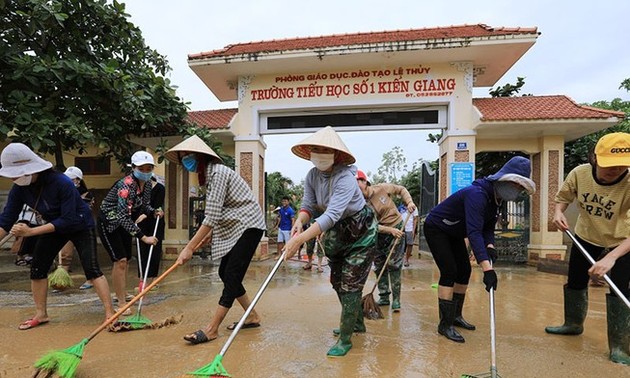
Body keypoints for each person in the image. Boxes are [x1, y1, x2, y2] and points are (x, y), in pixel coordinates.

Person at [282, 126, 377, 357]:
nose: (320, 153)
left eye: (325, 149)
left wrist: (300, 240)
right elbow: (309, 206)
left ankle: (345, 339)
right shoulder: (312, 176)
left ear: (336, 154)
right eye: (316, 149)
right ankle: (356, 322)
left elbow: (331, 214)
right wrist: (299, 222)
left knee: (350, 284)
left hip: (361, 231)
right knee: (336, 281)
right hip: (337, 232)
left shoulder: (345, 177)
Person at [0, 143, 115, 329]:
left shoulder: (61, 182)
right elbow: (6, 220)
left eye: (16, 173)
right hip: (54, 226)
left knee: (92, 269)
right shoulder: (19, 188)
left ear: (31, 169)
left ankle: (110, 313)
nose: (13, 178)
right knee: (37, 267)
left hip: (80, 225)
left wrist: (30, 232)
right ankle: (41, 313)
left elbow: (68, 220)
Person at [165, 135, 266, 345]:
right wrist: (207, 234)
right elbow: (218, 212)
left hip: (249, 224)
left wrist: (189, 248)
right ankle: (253, 316)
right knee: (225, 273)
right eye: (183, 157)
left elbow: (211, 216)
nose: (186, 161)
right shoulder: (209, 177)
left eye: (188, 156)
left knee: (231, 273)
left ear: (200, 157)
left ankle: (212, 328)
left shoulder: (218, 173)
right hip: (238, 223)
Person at [424, 156, 535, 343]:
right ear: (505, 180)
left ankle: (456, 316)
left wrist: (490, 246)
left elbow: (487, 227)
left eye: (521, 188)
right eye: (517, 186)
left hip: (454, 231)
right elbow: (474, 232)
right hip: (437, 227)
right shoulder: (477, 194)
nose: (518, 191)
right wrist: (487, 269)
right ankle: (445, 324)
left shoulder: (495, 199)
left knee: (465, 270)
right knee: (450, 270)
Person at [546, 132, 630, 365]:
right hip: (586, 235)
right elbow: (564, 196)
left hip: (622, 240)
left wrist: (612, 257)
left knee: (621, 290)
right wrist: (558, 212)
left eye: (623, 165)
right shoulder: (580, 173)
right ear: (594, 157)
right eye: (610, 165)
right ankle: (572, 324)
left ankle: (621, 347)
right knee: (575, 280)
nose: (616, 170)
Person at [97, 151, 162, 315]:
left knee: (125, 261)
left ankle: (123, 293)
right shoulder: (126, 186)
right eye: (142, 168)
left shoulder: (146, 184)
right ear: (133, 167)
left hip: (125, 224)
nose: (146, 172)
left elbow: (144, 205)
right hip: (110, 223)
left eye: (149, 168)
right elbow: (122, 215)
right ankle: (120, 303)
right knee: (120, 260)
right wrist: (143, 237)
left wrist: (154, 211)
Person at [356, 169, 415, 312]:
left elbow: (401, 189)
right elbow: (371, 226)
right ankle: (383, 296)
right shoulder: (360, 205)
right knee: (379, 265)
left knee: (394, 265)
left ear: (364, 182)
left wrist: (409, 202)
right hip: (378, 234)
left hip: (397, 228)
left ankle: (396, 300)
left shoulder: (381, 189)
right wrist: (389, 231)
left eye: (356, 182)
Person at [57, 166, 95, 290]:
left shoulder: (87, 195)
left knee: (86, 256)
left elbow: (83, 211)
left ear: (78, 180)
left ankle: (91, 279)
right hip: (66, 228)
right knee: (64, 255)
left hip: (82, 229)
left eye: (72, 179)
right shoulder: (62, 192)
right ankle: (62, 280)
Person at [134, 174, 165, 291]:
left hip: (155, 222)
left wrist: (151, 213)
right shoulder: (138, 189)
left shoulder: (160, 188)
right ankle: (142, 279)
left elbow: (157, 205)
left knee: (154, 251)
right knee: (142, 251)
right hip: (141, 222)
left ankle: (153, 281)